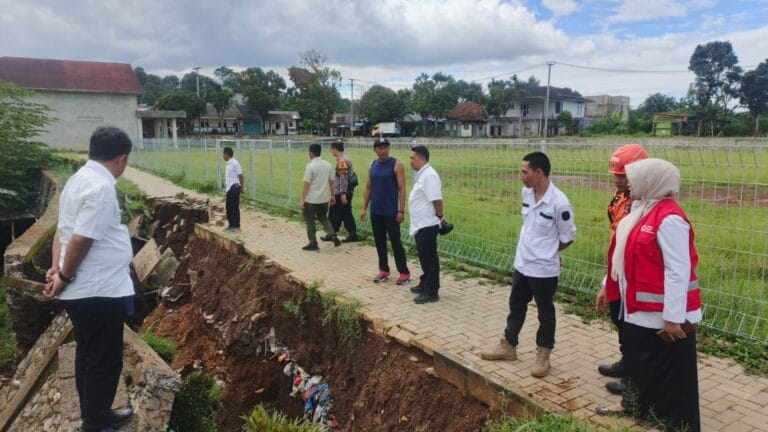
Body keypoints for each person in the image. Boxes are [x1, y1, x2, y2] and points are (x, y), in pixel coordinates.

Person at [596, 158, 702, 432]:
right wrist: (608, 285)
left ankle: (678, 425)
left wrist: (673, 319)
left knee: (673, 377)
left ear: (651, 182)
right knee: (644, 369)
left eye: (632, 178)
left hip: (663, 318)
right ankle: (647, 413)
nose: (626, 183)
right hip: (639, 311)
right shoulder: (640, 212)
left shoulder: (669, 218)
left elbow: (678, 271)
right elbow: (621, 258)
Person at [43, 126, 135, 432]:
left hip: (88, 290)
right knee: (104, 360)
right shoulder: (101, 187)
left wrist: (57, 268)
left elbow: (62, 230)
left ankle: (96, 414)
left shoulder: (78, 180)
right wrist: (64, 275)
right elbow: (80, 238)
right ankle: (95, 424)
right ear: (121, 159)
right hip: (97, 291)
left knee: (88, 353)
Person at [480, 151, 576, 378]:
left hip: (543, 269)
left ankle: (543, 355)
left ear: (539, 173)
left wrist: (550, 251)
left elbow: (568, 236)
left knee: (545, 312)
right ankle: (508, 345)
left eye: (524, 172)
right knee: (516, 305)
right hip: (522, 263)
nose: (520, 176)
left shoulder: (560, 203)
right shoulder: (526, 193)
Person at [595, 144, 648, 396]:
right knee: (618, 317)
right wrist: (608, 279)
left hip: (638, 277)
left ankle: (636, 377)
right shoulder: (619, 199)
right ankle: (627, 363)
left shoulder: (647, 203)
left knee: (634, 327)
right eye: (615, 174)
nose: (617, 180)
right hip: (618, 270)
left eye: (622, 175)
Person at [360, 138, 411, 284]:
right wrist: (364, 208)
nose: (383, 151)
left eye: (386, 147)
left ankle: (404, 272)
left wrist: (401, 211)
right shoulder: (373, 165)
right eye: (380, 148)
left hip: (391, 211)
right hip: (376, 210)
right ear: (375, 150)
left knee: (395, 242)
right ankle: (384, 270)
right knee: (379, 241)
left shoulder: (396, 165)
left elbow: (402, 189)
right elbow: (369, 187)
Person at [407, 145, 445, 304]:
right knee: (424, 257)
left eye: (412, 157)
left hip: (428, 224)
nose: (410, 160)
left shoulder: (429, 175)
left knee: (429, 258)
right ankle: (425, 282)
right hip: (421, 224)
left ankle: (432, 291)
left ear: (421, 158)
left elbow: (437, 200)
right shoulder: (422, 174)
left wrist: (440, 217)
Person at [300, 143, 340, 250]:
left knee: (310, 220)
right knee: (323, 217)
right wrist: (332, 196)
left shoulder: (310, 167)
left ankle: (313, 243)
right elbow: (332, 182)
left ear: (311, 153)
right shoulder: (328, 165)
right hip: (323, 199)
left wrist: (302, 200)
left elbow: (306, 185)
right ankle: (332, 234)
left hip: (311, 200)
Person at [322, 139, 358, 243]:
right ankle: (349, 233)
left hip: (342, 192)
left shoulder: (342, 161)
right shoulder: (343, 159)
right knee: (343, 212)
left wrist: (342, 194)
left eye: (331, 149)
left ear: (334, 149)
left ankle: (333, 233)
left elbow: (343, 177)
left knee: (337, 212)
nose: (331, 151)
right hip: (344, 192)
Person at [222, 146, 243, 233]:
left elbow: (240, 176)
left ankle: (236, 226)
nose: (222, 156)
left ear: (226, 154)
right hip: (229, 188)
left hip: (234, 188)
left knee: (234, 207)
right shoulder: (228, 164)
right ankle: (231, 225)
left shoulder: (235, 163)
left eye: (223, 154)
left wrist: (241, 187)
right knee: (229, 208)